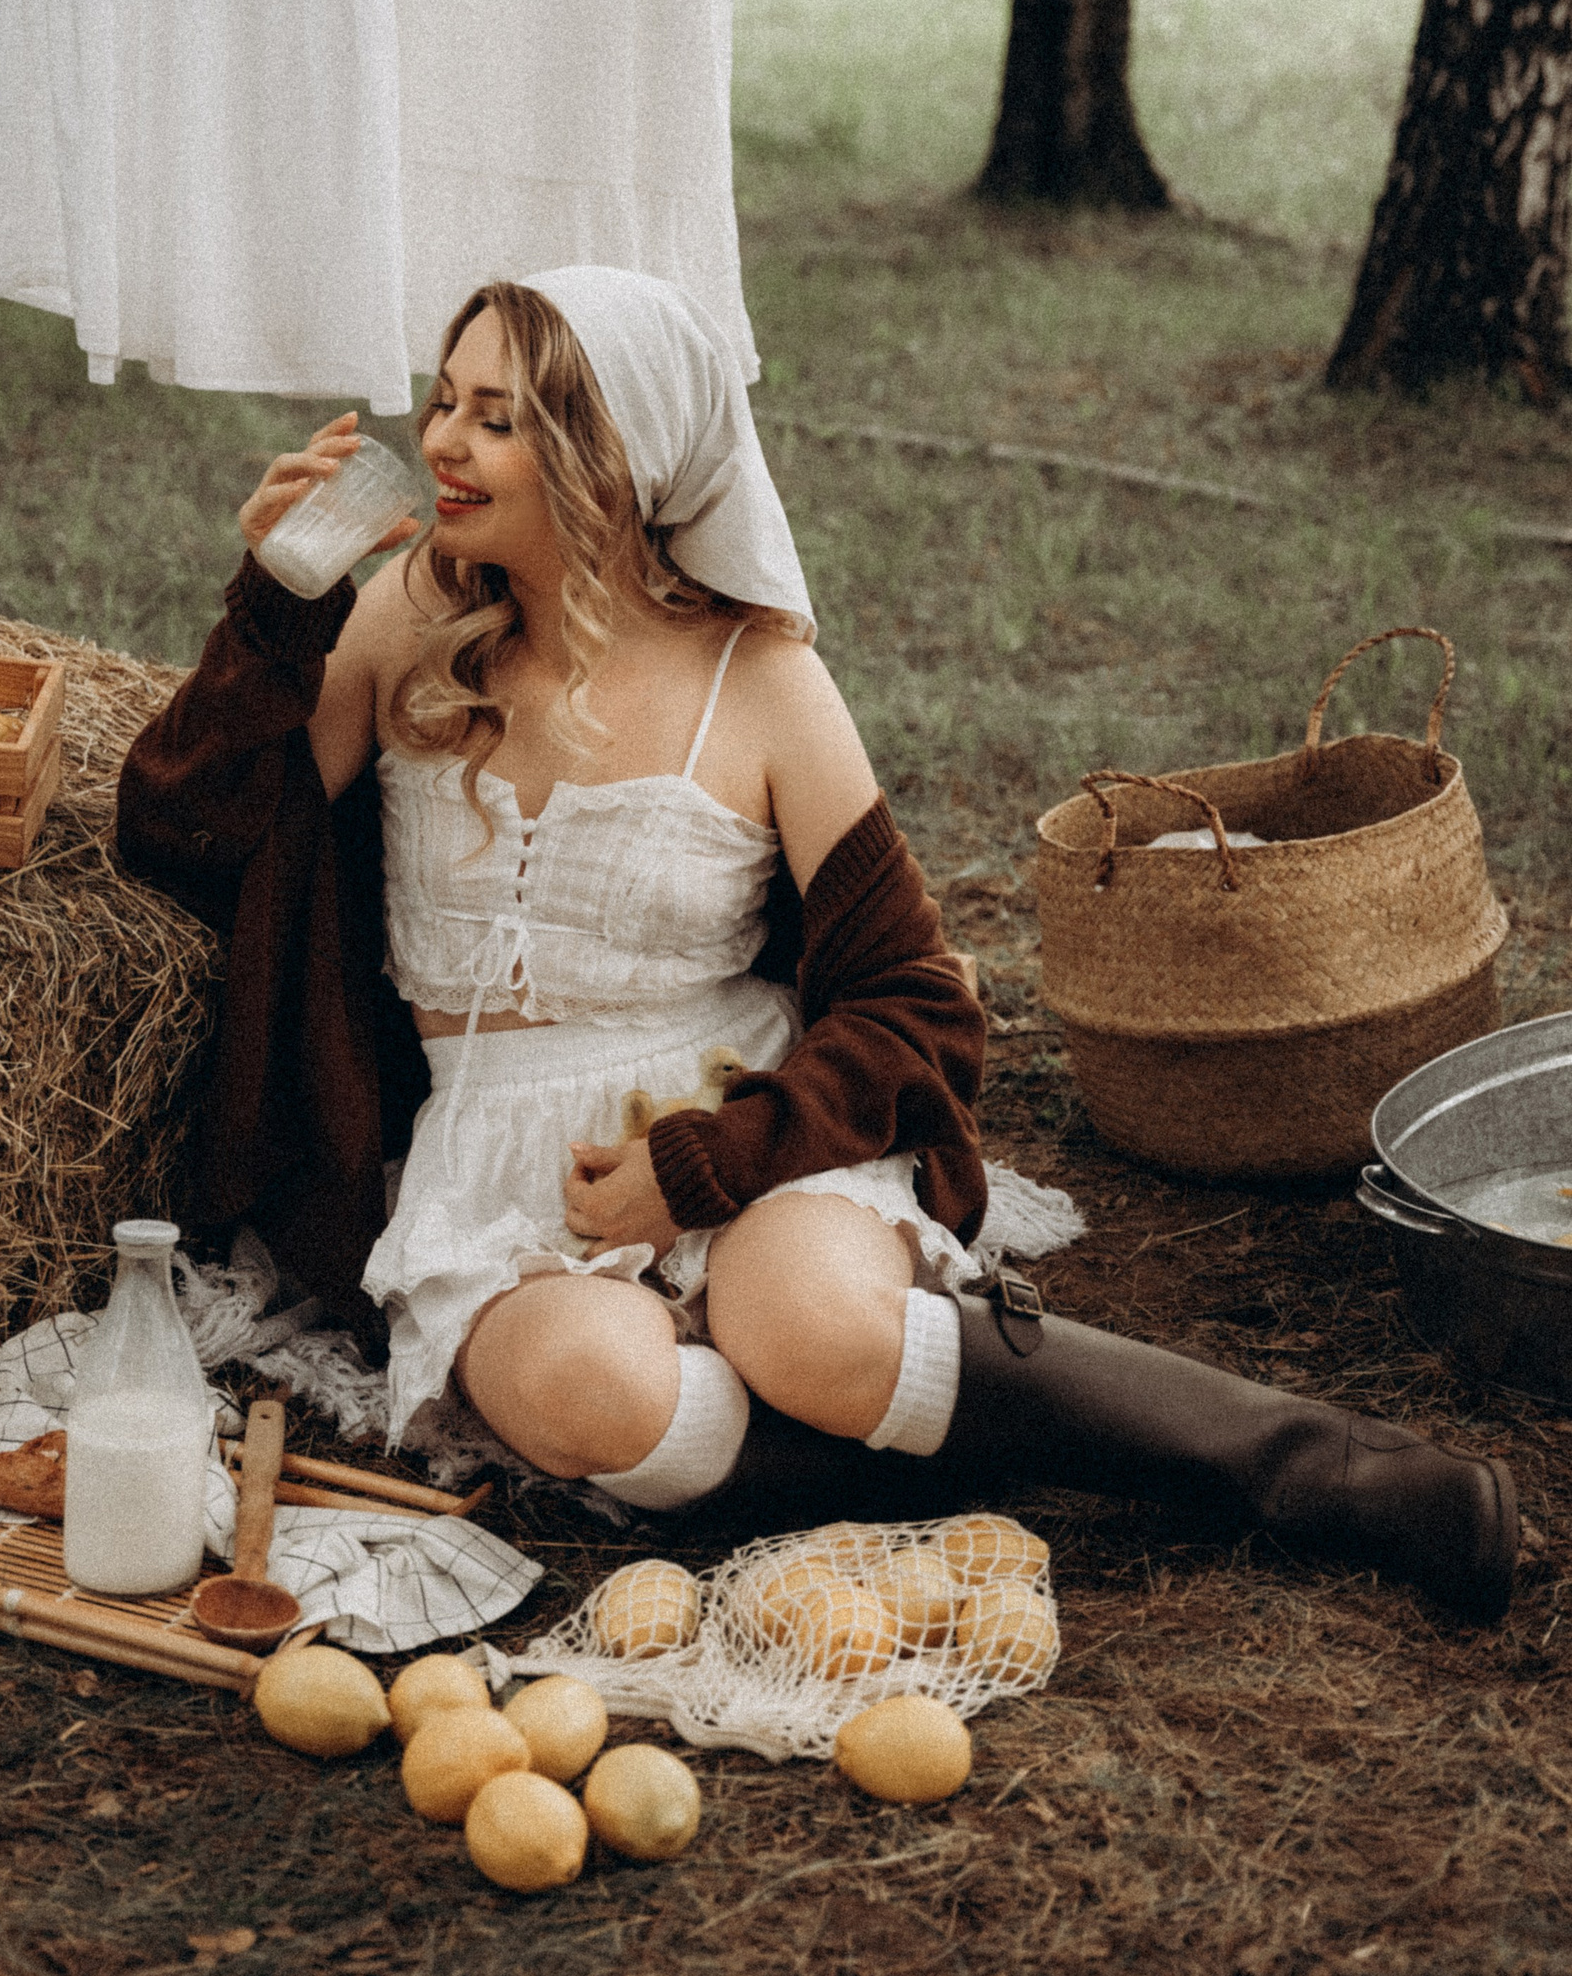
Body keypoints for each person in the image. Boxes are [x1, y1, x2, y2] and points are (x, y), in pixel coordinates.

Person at [119, 266, 1518, 1620]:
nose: (440, 442)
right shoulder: (410, 622)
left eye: (498, 418)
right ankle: (989, 1443)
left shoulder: (765, 680)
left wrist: (705, 1164)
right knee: (589, 1393)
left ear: (616, 457)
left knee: (814, 1330)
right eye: (445, 400)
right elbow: (182, 835)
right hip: (494, 1166)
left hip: (750, 1122)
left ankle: (1324, 1472)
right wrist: (278, 597)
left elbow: (917, 1001)